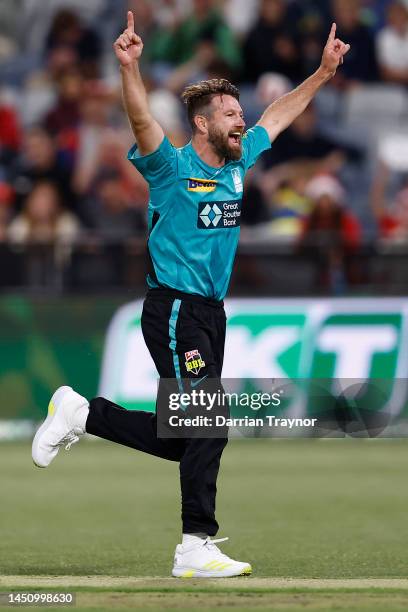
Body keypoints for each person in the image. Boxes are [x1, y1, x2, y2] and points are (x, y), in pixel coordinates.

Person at [32, 11, 350, 578]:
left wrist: (323, 73)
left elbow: (278, 115)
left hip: (211, 313)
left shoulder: (237, 162)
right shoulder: (171, 169)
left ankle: (83, 413)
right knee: (210, 421)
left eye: (239, 112)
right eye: (230, 114)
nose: (242, 120)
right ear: (202, 125)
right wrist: (128, 67)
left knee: (186, 438)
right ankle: (194, 546)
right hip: (175, 308)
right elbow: (139, 120)